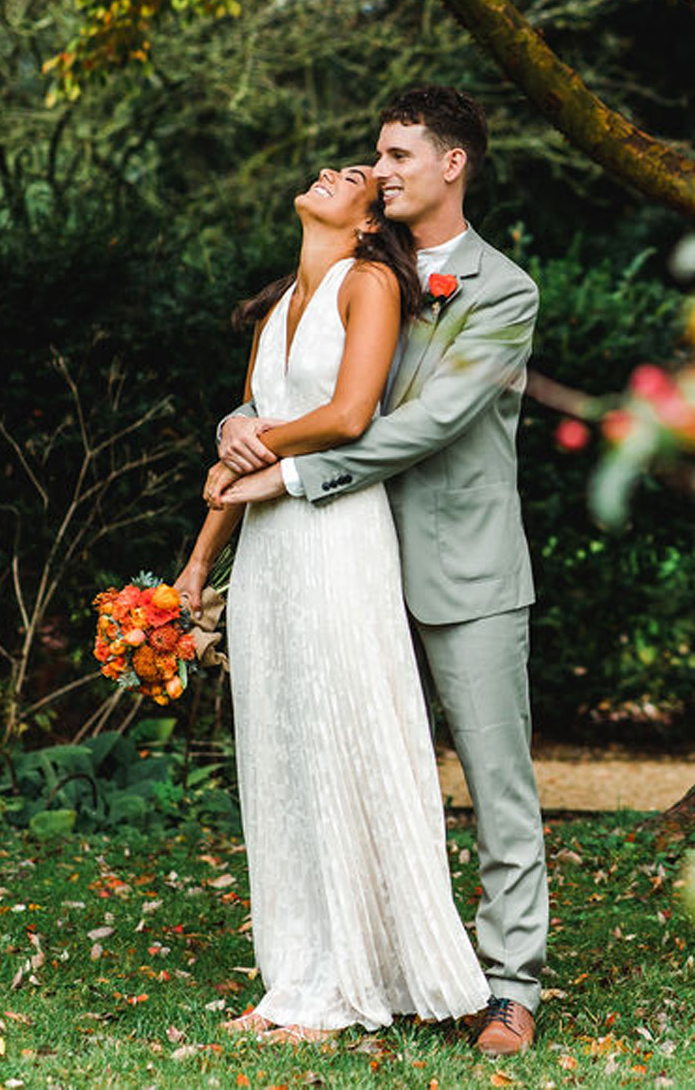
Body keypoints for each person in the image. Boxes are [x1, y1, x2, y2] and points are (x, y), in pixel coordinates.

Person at [211, 86, 547, 1057]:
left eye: (400, 154)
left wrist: (293, 470)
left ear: (454, 163)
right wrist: (242, 428)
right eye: (377, 156)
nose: (383, 169)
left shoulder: (505, 291)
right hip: (343, 561)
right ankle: (368, 963)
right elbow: (309, 387)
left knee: (497, 782)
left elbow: (427, 421)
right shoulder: (361, 270)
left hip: (462, 567)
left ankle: (512, 987)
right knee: (347, 770)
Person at [172, 161, 489, 1041]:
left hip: (336, 533)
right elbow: (239, 468)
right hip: (266, 556)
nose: (331, 173)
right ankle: (298, 976)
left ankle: (356, 979)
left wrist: (253, 429)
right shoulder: (276, 311)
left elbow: (351, 414)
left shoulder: (372, 282)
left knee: (342, 737)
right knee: (281, 751)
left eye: (352, 175)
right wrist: (199, 570)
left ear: (360, 221)